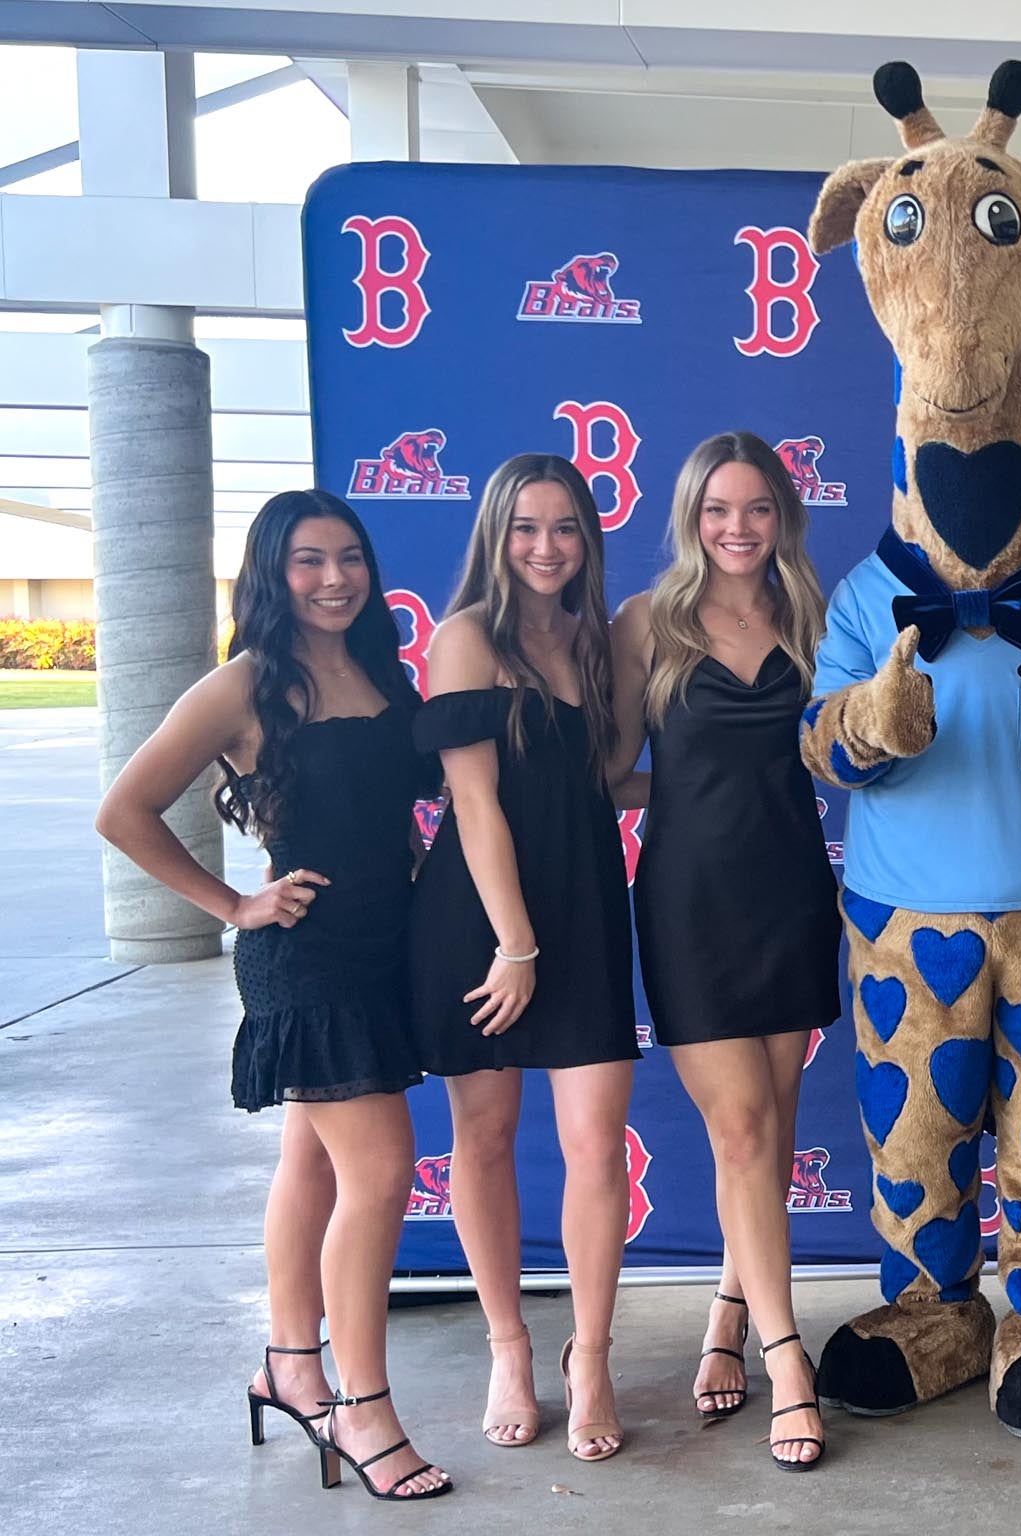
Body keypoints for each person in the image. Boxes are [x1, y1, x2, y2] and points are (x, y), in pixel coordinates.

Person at [96, 489, 449, 1500]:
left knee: (314, 1159)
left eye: (349, 558)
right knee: (381, 1173)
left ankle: (290, 1365)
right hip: (307, 956)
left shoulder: (381, 668)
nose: (335, 578)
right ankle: (362, 1406)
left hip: (386, 947)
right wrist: (234, 905)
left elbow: (398, 805)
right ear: (271, 574)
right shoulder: (244, 683)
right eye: (308, 561)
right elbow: (123, 811)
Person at [609, 432, 838, 1471]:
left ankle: (730, 1310)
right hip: (689, 904)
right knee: (740, 1129)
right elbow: (610, 770)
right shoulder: (645, 622)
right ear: (689, 517)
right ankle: (790, 1364)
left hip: (790, 897)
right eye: (716, 509)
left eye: (755, 508)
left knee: (771, 1132)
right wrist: (696, 794)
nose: (736, 528)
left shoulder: (813, 617)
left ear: (781, 515)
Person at [410, 453, 640, 1462]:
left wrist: (727, 783)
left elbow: (605, 781)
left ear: (588, 537)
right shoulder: (465, 638)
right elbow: (474, 803)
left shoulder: (597, 642)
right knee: (486, 1136)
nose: (547, 548)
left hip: (585, 909)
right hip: (482, 921)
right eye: (526, 528)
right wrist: (514, 945)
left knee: (595, 1144)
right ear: (496, 537)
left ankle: (590, 1356)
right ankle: (508, 1345)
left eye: (565, 527)